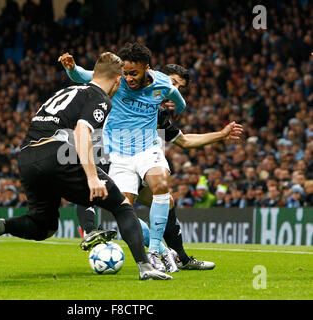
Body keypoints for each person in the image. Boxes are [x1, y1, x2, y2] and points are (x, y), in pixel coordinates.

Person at [0, 52, 172, 281]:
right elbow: (81, 132)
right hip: (56, 154)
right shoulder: (100, 98)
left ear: (94, 74)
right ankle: (145, 267)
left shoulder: (66, 90)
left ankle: (0, 226)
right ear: (117, 80)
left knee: (43, 226)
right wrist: (92, 177)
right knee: (122, 206)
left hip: (27, 157)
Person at [61, 59, 242, 271]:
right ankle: (155, 250)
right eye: (173, 83)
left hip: (139, 160)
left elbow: (184, 141)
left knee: (166, 200)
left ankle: (179, 257)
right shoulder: (125, 90)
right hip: (112, 156)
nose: (174, 89)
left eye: (179, 88)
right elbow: (88, 76)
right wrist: (72, 69)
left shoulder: (158, 113)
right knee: (114, 203)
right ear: (158, 77)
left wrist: (219, 136)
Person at [59, 43, 188, 271]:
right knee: (124, 209)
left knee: (160, 185)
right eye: (125, 73)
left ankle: (155, 251)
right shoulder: (116, 80)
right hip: (118, 155)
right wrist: (71, 68)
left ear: (147, 68)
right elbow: (82, 75)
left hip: (148, 149)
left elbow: (180, 102)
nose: (128, 78)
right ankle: (166, 252)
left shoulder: (162, 83)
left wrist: (172, 106)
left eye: (133, 73)